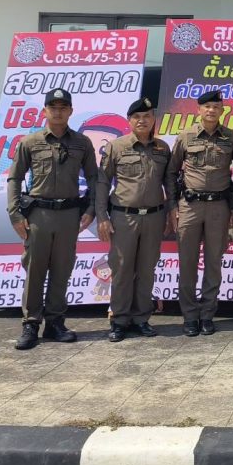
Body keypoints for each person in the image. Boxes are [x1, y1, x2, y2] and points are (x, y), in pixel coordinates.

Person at [7, 88, 97, 350]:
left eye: (63, 107)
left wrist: (91, 209)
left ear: (70, 111)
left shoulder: (82, 143)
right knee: (35, 270)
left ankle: (55, 322)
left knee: (62, 269)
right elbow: (15, 178)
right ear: (44, 111)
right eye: (53, 107)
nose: (58, 112)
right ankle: (31, 324)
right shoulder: (30, 142)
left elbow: (94, 177)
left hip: (69, 215)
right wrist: (15, 213)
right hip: (39, 215)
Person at [95, 97, 174, 343]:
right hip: (124, 217)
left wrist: (171, 211)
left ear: (153, 120)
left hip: (154, 217)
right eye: (137, 117)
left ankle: (141, 319)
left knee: (146, 269)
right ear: (129, 121)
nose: (142, 121)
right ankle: (119, 320)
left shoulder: (163, 149)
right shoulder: (116, 147)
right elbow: (102, 182)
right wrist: (102, 216)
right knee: (122, 269)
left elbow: (169, 183)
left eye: (147, 116)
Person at [166, 89, 233, 337]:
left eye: (216, 107)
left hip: (219, 207)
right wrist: (173, 206)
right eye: (207, 107)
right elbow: (171, 172)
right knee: (187, 263)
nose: (211, 110)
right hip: (190, 206)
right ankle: (190, 316)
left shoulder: (231, 138)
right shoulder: (186, 136)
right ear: (199, 110)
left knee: (213, 263)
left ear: (222, 111)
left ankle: (207, 315)